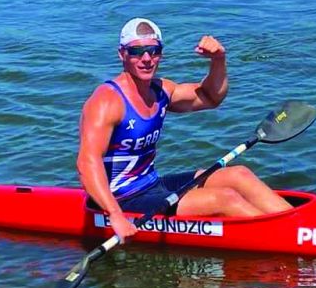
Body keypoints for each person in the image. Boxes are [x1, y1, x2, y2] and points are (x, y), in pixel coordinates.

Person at [78, 18, 291, 242]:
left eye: (153, 50)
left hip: (153, 184)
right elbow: (87, 162)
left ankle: (299, 225)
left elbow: (211, 97)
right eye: (137, 51)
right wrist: (115, 214)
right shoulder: (107, 101)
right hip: (123, 198)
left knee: (240, 175)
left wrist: (218, 60)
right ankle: (288, 240)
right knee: (226, 199)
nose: (147, 59)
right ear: (122, 54)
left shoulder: (161, 90)